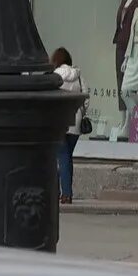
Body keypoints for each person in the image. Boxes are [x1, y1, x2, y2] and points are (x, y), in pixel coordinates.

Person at [51, 48, 84, 204]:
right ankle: (64, 191)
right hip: (76, 121)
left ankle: (65, 194)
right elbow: (86, 98)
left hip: (59, 120)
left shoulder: (55, 76)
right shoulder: (79, 76)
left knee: (61, 157)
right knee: (66, 157)